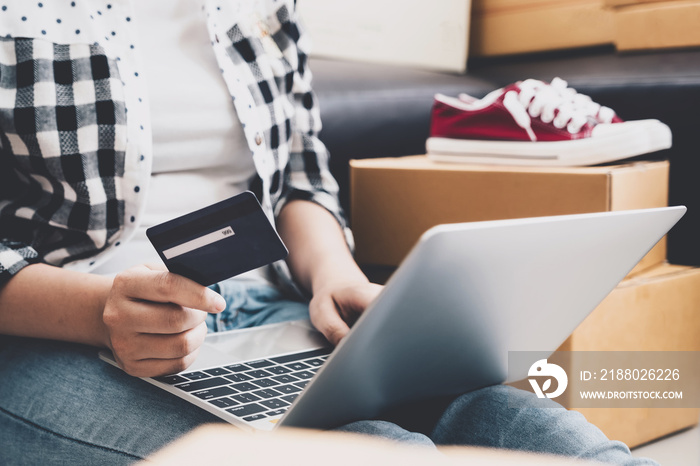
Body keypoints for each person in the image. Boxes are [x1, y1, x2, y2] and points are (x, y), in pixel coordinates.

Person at [0, 1, 657, 464]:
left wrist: (336, 277)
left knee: (551, 440)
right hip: (58, 334)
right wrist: (100, 312)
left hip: (264, 313)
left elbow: (298, 175)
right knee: (385, 454)